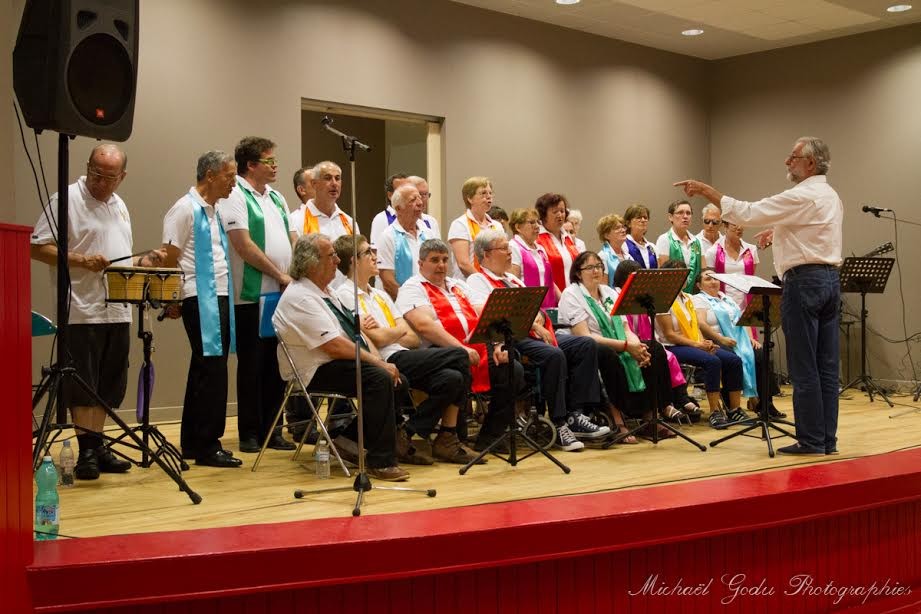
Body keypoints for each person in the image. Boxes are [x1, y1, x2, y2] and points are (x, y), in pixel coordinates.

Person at [675, 136, 842, 456]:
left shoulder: (802, 193)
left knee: (805, 367)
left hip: (804, 283)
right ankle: (826, 440)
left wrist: (706, 190)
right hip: (830, 281)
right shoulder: (829, 194)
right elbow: (816, 229)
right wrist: (779, 232)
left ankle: (810, 441)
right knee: (826, 367)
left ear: (810, 163)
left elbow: (748, 213)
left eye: (792, 157)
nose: (786, 162)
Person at [30, 143, 164, 480]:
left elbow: (120, 257)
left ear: (123, 177)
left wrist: (145, 262)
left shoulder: (119, 206)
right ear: (87, 166)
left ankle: (99, 444)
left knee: (108, 382)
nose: (100, 182)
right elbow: (37, 246)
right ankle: (86, 449)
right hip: (81, 310)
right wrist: (80, 260)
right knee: (83, 383)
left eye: (109, 177)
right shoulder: (66, 199)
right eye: (96, 173)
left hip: (117, 309)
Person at [273, 233, 409, 481]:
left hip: (334, 362)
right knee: (379, 379)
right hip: (314, 370)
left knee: (398, 379)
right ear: (312, 263)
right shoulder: (302, 296)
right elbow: (334, 345)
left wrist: (382, 360)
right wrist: (378, 363)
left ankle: (347, 441)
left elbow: (353, 333)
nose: (338, 260)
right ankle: (381, 461)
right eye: (332, 255)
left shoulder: (325, 292)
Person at [334, 235, 478, 465]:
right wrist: (394, 330)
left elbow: (411, 337)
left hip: (404, 353)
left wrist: (390, 331)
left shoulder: (380, 295)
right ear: (353, 260)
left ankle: (409, 432)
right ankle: (447, 436)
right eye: (368, 252)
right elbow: (376, 339)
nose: (374, 256)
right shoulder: (344, 294)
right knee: (460, 354)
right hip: (383, 359)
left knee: (452, 378)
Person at [466, 230, 609, 452]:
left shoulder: (512, 279)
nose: (509, 252)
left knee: (585, 344)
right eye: (504, 248)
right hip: (510, 337)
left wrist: (537, 319)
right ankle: (560, 422)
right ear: (486, 254)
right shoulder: (477, 280)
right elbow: (486, 313)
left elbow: (534, 308)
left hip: (531, 332)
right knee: (553, 355)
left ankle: (576, 414)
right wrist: (533, 323)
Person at [397, 238, 524, 452]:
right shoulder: (412, 287)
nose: (441, 265)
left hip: (475, 347)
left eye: (445, 260)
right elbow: (424, 325)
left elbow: (485, 314)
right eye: (434, 260)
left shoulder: (458, 285)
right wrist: (461, 348)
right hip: (439, 353)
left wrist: (497, 344)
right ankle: (450, 435)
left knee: (513, 368)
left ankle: (490, 436)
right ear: (420, 264)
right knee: (458, 365)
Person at [160, 150, 242, 468]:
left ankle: (193, 441)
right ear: (210, 175)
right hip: (199, 296)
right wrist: (172, 299)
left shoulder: (213, 210)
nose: (233, 183)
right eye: (229, 176)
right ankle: (208, 444)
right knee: (212, 371)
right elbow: (169, 256)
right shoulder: (184, 209)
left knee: (204, 369)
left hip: (217, 295)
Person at [221, 136, 296, 454]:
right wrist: (279, 274)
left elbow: (291, 238)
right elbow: (242, 244)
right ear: (250, 165)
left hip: (281, 294)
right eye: (268, 161)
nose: (275, 165)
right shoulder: (235, 194)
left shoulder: (277, 197)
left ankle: (272, 429)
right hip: (252, 294)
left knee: (275, 364)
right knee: (252, 364)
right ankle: (250, 431)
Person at [558, 251, 672, 440]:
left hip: (620, 341)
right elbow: (584, 336)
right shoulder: (572, 294)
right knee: (607, 354)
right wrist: (627, 347)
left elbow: (626, 328)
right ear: (578, 273)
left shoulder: (609, 292)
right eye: (590, 267)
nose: (596, 271)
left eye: (599, 266)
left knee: (654, 349)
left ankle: (650, 418)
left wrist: (637, 347)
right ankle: (618, 421)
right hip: (588, 348)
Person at [655, 262, 749, 430]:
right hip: (673, 346)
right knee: (712, 362)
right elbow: (669, 334)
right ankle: (714, 412)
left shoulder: (689, 298)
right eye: (676, 274)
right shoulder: (662, 299)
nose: (681, 278)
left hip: (694, 343)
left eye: (683, 274)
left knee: (733, 360)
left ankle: (734, 409)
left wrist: (705, 342)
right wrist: (698, 344)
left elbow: (697, 325)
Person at [692, 268, 784, 420]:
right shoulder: (699, 299)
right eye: (708, 279)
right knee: (732, 358)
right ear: (699, 285)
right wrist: (720, 339)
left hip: (738, 340)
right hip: (716, 339)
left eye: (715, 278)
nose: (713, 281)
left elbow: (743, 320)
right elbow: (701, 324)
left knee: (761, 355)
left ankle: (765, 404)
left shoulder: (727, 299)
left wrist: (750, 339)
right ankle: (732, 406)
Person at [376, 184, 435, 299]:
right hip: (401, 304)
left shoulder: (428, 233)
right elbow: (388, 281)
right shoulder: (388, 236)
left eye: (419, 198)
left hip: (429, 299)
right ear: (398, 208)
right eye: (413, 200)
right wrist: (409, 303)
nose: (420, 203)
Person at [447, 177, 505, 278]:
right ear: (470, 198)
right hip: (469, 285)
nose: (489, 197)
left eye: (490, 193)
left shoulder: (497, 226)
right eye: (483, 193)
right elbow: (463, 264)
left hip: (494, 283)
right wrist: (484, 282)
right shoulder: (460, 224)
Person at [289, 160, 358, 242]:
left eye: (337, 178)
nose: (334, 183)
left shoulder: (349, 222)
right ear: (314, 184)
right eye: (328, 178)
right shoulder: (295, 220)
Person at [535, 193, 581, 299]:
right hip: (554, 300)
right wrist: (562, 299)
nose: (560, 215)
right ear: (543, 215)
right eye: (555, 212)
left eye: (562, 211)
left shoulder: (567, 237)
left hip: (574, 299)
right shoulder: (538, 240)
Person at [508, 208, 556, 309]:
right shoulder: (513, 247)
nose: (537, 226)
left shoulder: (541, 249)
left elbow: (549, 281)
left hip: (547, 308)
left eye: (538, 222)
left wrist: (563, 301)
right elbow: (513, 283)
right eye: (532, 222)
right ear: (518, 227)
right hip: (526, 309)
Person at [705, 221, 759, 308]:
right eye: (734, 224)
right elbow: (711, 283)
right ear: (725, 226)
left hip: (746, 304)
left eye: (741, 223)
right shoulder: (713, 252)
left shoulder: (752, 250)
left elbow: (751, 279)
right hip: (723, 304)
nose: (739, 228)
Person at [655, 200, 703, 294]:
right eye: (680, 213)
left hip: (695, 295)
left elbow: (702, 271)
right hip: (672, 294)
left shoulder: (697, 241)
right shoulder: (664, 239)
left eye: (688, 213)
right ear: (670, 217)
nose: (685, 216)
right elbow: (664, 273)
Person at [369, 173, 410, 247]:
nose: (408, 194)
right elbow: (376, 251)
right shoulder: (381, 219)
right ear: (390, 195)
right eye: (402, 190)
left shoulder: (415, 218)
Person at [596, 214, 630, 287]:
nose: (623, 230)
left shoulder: (628, 255)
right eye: (617, 228)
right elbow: (603, 289)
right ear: (606, 235)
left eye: (623, 227)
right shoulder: (602, 256)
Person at [622, 204, 658, 269]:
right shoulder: (623, 244)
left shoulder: (652, 247)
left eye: (645, 218)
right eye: (639, 217)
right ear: (628, 223)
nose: (643, 220)